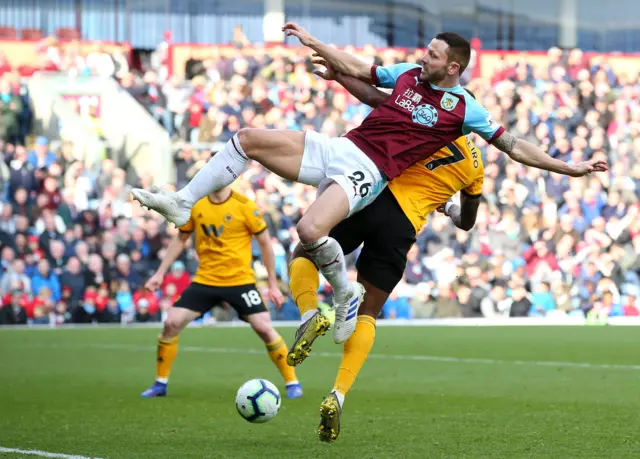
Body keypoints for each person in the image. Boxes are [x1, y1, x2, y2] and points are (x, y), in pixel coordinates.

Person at [131, 24, 608, 347]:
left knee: (308, 231)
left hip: (372, 172)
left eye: (435, 55)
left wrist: (571, 168)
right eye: (427, 51)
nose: (425, 58)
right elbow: (364, 79)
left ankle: (343, 294)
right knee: (248, 139)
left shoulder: (466, 110)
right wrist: (325, 57)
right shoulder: (407, 75)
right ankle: (181, 201)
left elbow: (515, 145)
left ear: (454, 68)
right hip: (343, 147)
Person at [285, 66, 609, 443]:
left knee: (305, 248)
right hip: (402, 228)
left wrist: (337, 75)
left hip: (372, 198)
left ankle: (309, 311)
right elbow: (468, 221)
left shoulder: (423, 123)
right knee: (369, 312)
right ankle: (338, 394)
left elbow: (374, 96)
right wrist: (452, 209)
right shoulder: (475, 166)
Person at [140, 186, 303, 399]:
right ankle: (160, 384)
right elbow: (181, 239)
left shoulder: (245, 206)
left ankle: (292, 382)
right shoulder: (197, 203)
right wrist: (160, 273)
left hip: (240, 280)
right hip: (206, 280)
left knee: (264, 327)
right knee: (171, 322)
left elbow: (265, 243)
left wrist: (273, 284)